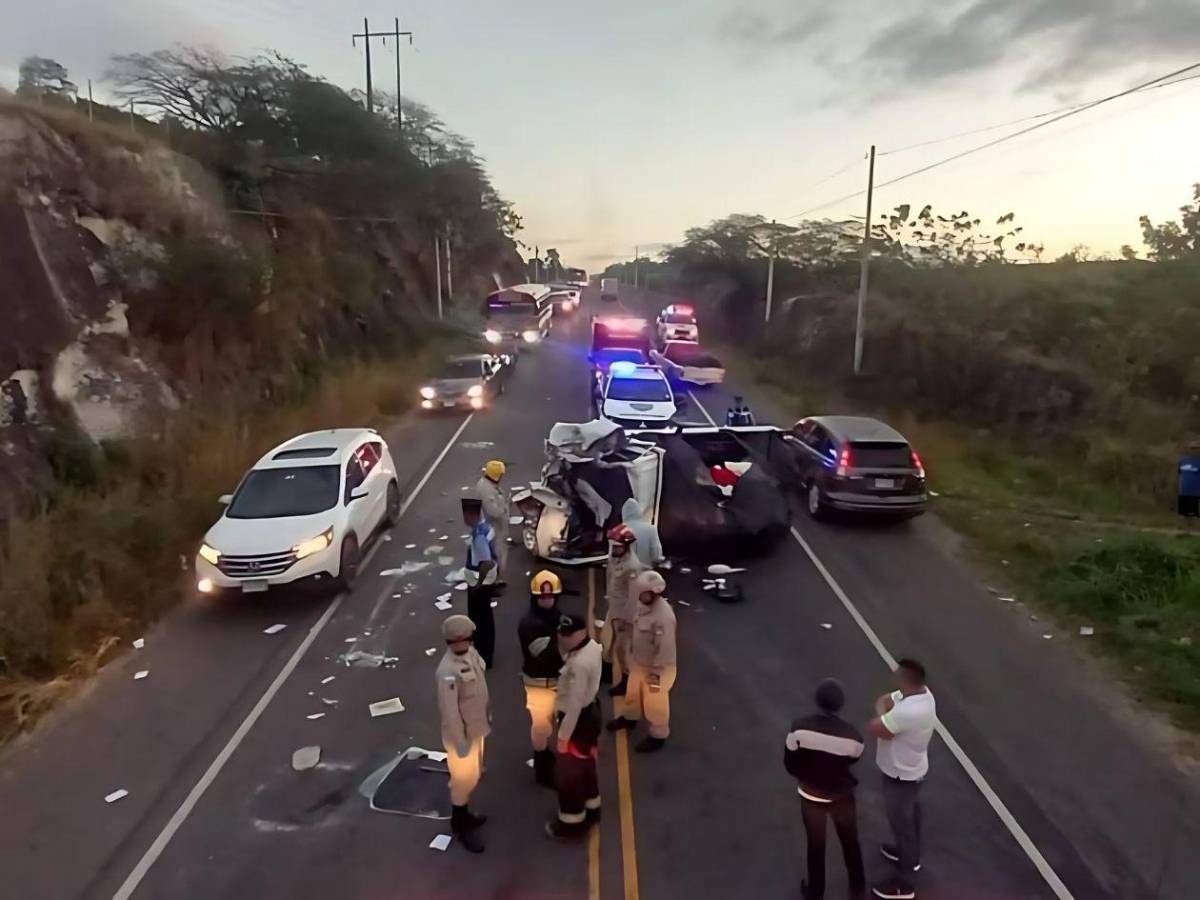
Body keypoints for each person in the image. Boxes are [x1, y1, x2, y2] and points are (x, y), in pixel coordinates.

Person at [785, 678, 866, 900]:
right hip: (842, 797)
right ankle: (858, 889)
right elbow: (854, 758)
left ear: (817, 701)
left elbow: (790, 762)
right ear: (840, 704)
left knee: (816, 846)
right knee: (850, 843)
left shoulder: (799, 728)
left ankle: (815, 892)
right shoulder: (853, 737)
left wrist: (806, 776)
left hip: (811, 797)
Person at [868, 659, 936, 900]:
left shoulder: (908, 711)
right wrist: (888, 709)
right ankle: (911, 857)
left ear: (907, 680)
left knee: (902, 826)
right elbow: (888, 699)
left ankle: (904, 884)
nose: (893, 677)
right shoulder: (922, 696)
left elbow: (877, 727)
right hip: (913, 769)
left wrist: (883, 712)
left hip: (900, 774)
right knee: (912, 817)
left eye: (897, 675)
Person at [436, 615, 491, 854]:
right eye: (460, 640)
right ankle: (460, 824)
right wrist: (460, 744)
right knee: (462, 781)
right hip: (463, 735)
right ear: (452, 641)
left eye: (468, 639)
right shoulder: (447, 671)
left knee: (474, 774)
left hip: (477, 728)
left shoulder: (471, 654)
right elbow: (449, 712)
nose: (464, 644)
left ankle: (465, 813)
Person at [546, 613, 603, 840]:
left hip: (578, 722)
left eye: (568, 635)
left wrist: (563, 737)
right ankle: (593, 807)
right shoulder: (593, 648)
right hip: (591, 716)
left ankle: (571, 822)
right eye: (562, 634)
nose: (564, 639)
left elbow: (574, 704)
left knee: (568, 775)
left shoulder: (579, 663)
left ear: (581, 632)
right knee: (587, 765)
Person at [607, 570, 676, 753]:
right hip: (640, 662)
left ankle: (658, 735)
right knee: (632, 693)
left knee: (655, 702)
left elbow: (665, 649)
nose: (639, 596)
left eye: (643, 593)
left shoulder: (663, 617)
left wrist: (655, 673)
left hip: (657, 669)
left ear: (655, 594)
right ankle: (629, 718)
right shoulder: (643, 605)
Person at [520, 569, 564, 788]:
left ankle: (545, 754)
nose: (547, 601)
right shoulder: (530, 624)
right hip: (539, 683)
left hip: (557, 680)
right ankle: (542, 766)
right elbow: (545, 655)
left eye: (550, 596)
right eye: (543, 597)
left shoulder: (557, 617)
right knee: (541, 726)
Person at [603, 523, 645, 697]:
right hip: (614, 607)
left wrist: (626, 620)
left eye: (617, 547)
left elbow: (634, 596)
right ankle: (606, 672)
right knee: (607, 642)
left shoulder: (632, 566)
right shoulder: (615, 557)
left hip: (623, 614)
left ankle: (627, 681)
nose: (613, 550)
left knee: (622, 649)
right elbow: (610, 578)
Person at [461, 497, 498, 669]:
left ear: (470, 515)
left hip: (479, 582)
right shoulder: (486, 527)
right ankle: (487, 652)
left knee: (480, 620)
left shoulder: (479, 535)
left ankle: (484, 655)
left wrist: (478, 584)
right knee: (486, 617)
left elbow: (486, 561)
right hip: (487, 581)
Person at [476, 460, 511, 584]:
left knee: (495, 554)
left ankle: (495, 579)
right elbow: (493, 511)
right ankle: (492, 582)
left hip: (495, 527)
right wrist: (505, 508)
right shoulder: (487, 490)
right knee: (495, 554)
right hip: (494, 528)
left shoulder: (487, 484)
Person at [620, 498, 664, 567]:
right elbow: (656, 556)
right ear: (638, 511)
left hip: (623, 575)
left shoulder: (617, 531)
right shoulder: (651, 529)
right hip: (644, 573)